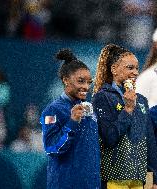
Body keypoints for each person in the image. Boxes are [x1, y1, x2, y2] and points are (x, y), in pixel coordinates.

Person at [92, 44, 157, 189]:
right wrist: (128, 109)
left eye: (137, 68)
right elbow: (109, 138)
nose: (135, 73)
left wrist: (155, 178)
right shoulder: (103, 98)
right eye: (130, 68)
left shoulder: (141, 100)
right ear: (114, 70)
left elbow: (149, 139)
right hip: (115, 178)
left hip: (138, 177)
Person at [40, 49, 100, 189]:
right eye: (80, 81)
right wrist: (72, 122)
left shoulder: (89, 110)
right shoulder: (52, 110)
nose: (86, 87)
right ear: (65, 80)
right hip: (65, 183)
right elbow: (51, 148)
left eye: (89, 82)